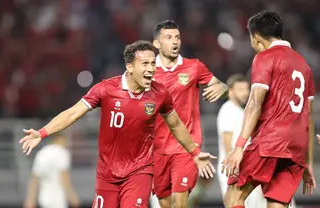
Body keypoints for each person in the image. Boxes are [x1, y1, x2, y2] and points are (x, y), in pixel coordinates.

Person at [19, 40, 216, 208]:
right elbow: (73, 113)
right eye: (145, 64)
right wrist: (42, 133)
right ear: (129, 67)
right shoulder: (105, 89)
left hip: (140, 170)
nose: (151, 69)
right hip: (107, 175)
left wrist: (195, 153)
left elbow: (175, 125)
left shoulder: (160, 93)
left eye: (152, 64)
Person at [222, 11, 316, 208]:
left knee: (233, 196)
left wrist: (239, 146)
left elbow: (255, 103)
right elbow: (308, 118)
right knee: (277, 204)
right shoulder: (305, 66)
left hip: (270, 141)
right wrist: (307, 163)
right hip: (296, 148)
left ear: (256, 37)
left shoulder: (266, 57)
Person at [149, 20, 228, 208]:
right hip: (157, 149)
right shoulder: (147, 70)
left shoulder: (194, 67)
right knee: (165, 204)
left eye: (177, 37)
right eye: (168, 38)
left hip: (187, 147)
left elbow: (221, 85)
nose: (175, 42)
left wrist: (222, 88)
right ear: (157, 44)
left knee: (180, 202)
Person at [23, 133, 80, 208]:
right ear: (60, 138)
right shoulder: (62, 152)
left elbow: (35, 178)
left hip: (44, 197)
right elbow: (64, 176)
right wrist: (72, 195)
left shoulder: (42, 153)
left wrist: (30, 199)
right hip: (58, 198)